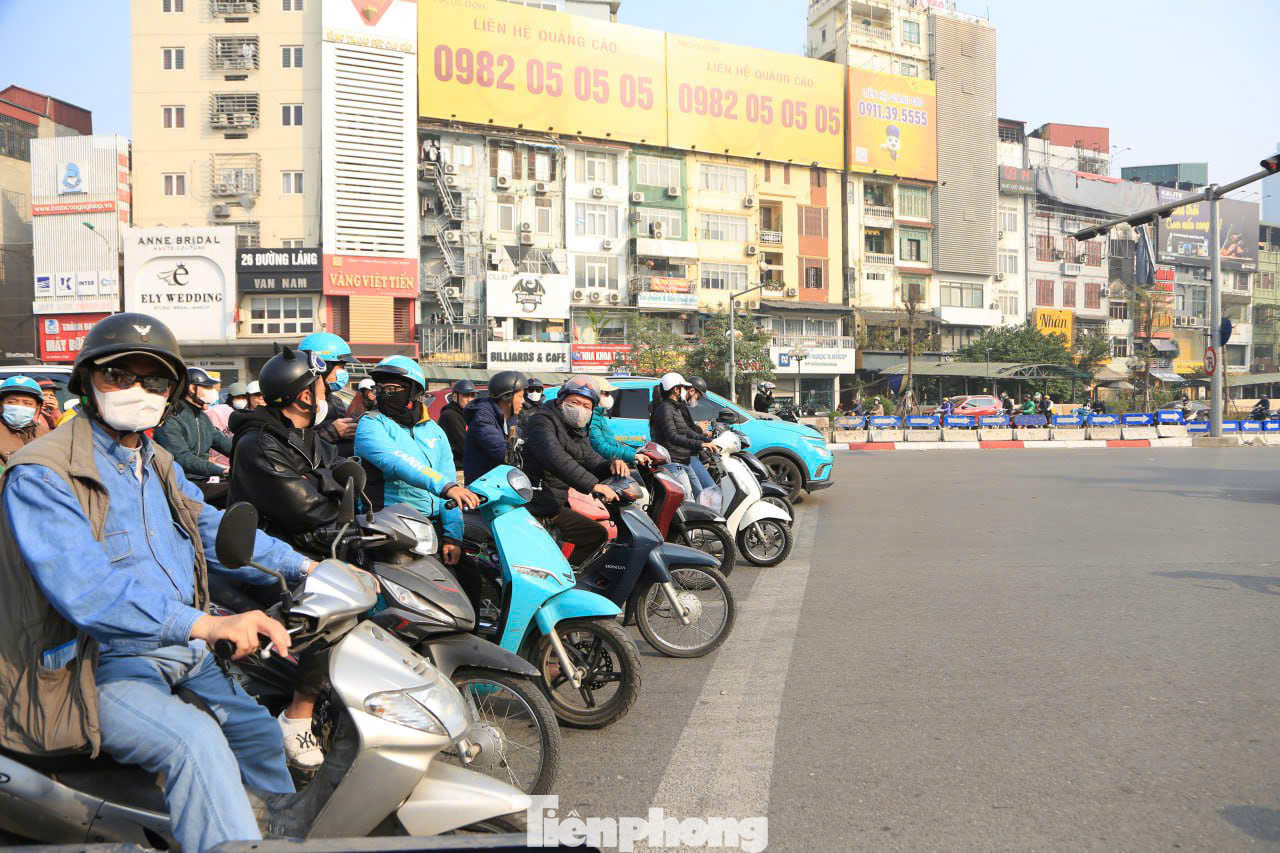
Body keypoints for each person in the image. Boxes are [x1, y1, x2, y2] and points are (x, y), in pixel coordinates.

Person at [0, 313, 313, 853]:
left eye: (153, 380)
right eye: (119, 375)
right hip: (91, 665)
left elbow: (208, 527)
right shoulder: (42, 474)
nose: (136, 391)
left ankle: (268, 837)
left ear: (170, 393)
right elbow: (88, 590)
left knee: (261, 735)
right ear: (87, 381)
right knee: (195, 743)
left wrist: (307, 568)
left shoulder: (155, 460)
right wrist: (206, 623)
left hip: (175, 649)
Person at [228, 346, 345, 769]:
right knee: (333, 609)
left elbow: (333, 484)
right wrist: (347, 522)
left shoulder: (307, 436)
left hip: (313, 547)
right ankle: (298, 714)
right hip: (270, 558)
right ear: (303, 397)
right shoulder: (258, 442)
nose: (327, 390)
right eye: (320, 384)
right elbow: (305, 507)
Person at [355, 356, 477, 561]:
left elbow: (449, 481)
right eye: (380, 388)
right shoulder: (371, 424)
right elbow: (396, 462)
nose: (384, 394)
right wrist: (445, 487)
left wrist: (452, 537)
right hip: (388, 529)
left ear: (413, 391)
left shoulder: (435, 431)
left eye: (392, 388)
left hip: (430, 528)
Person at [522, 377, 625, 565]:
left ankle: (570, 577)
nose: (580, 409)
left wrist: (611, 466)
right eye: (575, 403)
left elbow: (588, 457)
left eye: (587, 406)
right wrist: (593, 485)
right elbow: (555, 457)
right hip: (535, 505)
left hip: (554, 503)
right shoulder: (542, 421)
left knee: (596, 534)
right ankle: (561, 579)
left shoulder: (574, 428)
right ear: (561, 402)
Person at [155, 367, 233, 505]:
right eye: (207, 387)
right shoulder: (171, 418)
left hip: (203, 479)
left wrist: (249, 455)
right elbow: (182, 458)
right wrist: (222, 471)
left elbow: (221, 441)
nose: (213, 391)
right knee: (236, 493)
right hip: (182, 483)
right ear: (192, 388)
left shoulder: (202, 417)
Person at [650, 373, 716, 494]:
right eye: (684, 388)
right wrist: (701, 444)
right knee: (688, 499)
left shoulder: (675, 407)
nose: (686, 391)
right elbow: (672, 437)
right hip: (674, 461)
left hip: (683, 459)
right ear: (676, 390)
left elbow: (687, 430)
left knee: (701, 494)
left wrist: (706, 441)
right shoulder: (665, 409)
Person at [298, 332, 359, 457]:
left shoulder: (336, 402)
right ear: (322, 366)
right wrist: (331, 432)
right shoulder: (297, 402)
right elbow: (294, 447)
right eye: (341, 366)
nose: (343, 372)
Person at [464, 370, 525, 485]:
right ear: (507, 397)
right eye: (520, 396)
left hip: (502, 484)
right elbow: (504, 454)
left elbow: (522, 442)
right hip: (483, 489)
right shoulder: (483, 419)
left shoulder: (510, 418)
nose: (523, 401)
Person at [587, 376, 652, 469]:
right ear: (594, 395)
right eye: (605, 393)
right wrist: (633, 455)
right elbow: (601, 447)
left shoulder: (599, 417)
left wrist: (635, 452)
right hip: (600, 467)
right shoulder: (591, 418)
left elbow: (612, 443)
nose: (609, 396)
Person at [0, 376, 50, 465]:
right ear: (2, 404)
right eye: (11, 402)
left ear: (37, 407)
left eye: (27, 403)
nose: (19, 407)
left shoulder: (44, 433)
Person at [439, 379, 476, 470]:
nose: (470, 400)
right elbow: (465, 446)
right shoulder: (450, 416)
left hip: (465, 465)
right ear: (455, 397)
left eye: (472, 396)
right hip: (455, 468)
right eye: (466, 396)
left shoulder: (465, 414)